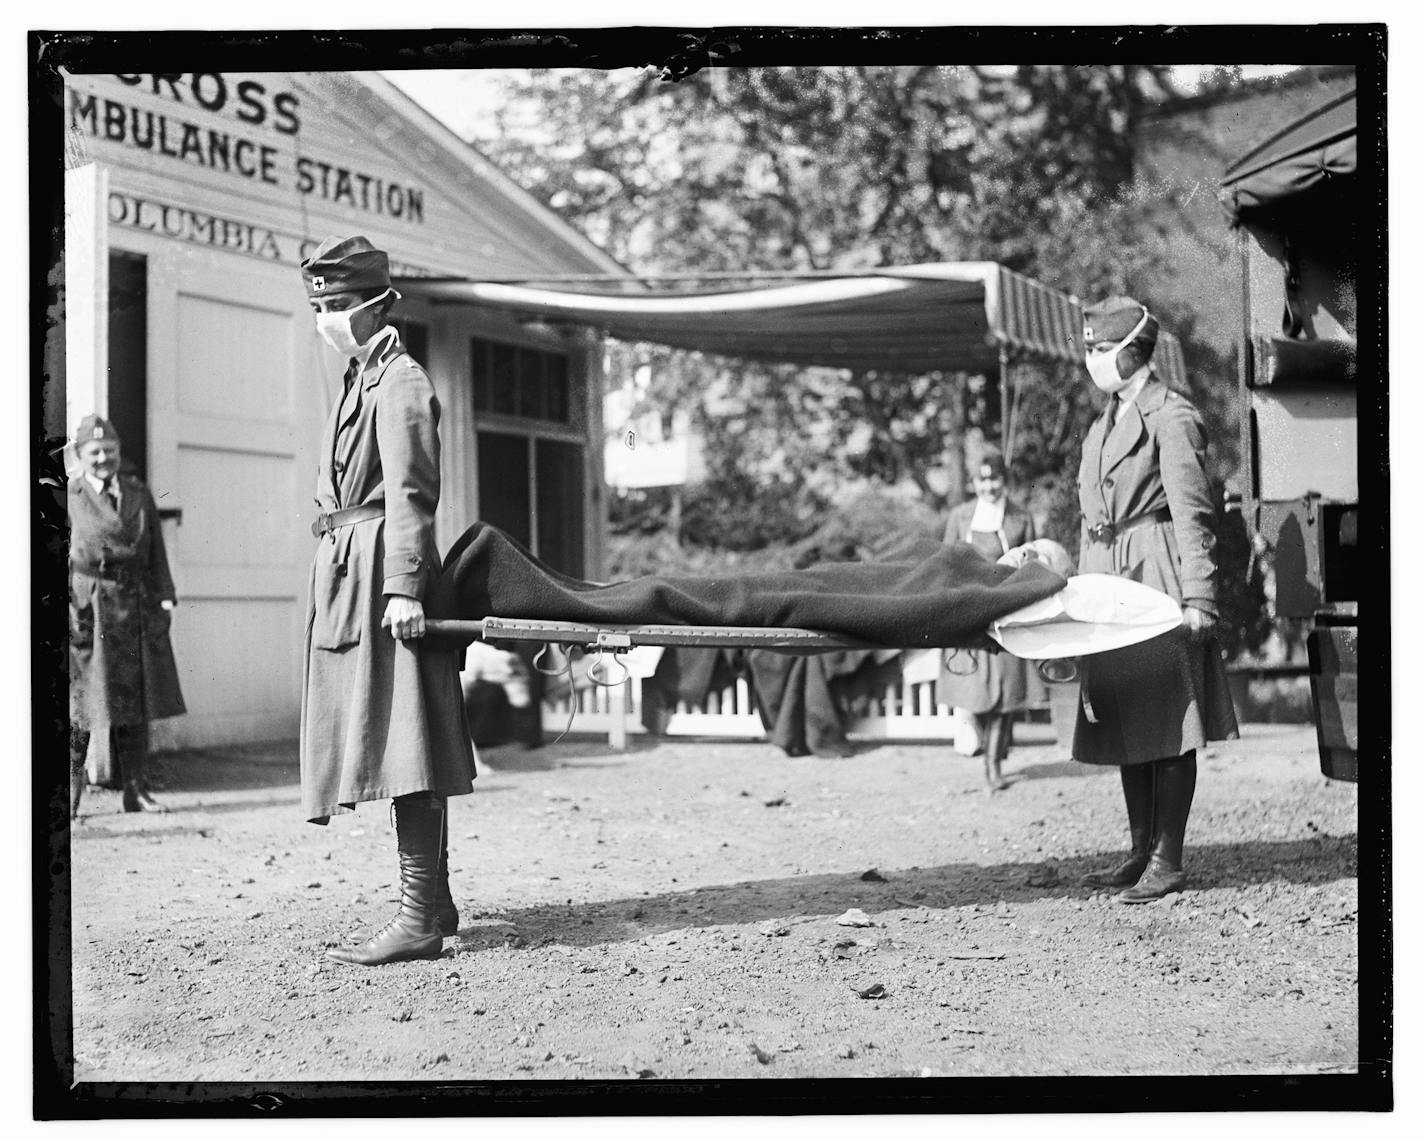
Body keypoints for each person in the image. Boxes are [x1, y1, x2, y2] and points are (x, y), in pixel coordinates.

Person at [298, 235, 476, 966]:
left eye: (338, 305)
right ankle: (432, 902)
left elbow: (411, 492)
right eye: (318, 306)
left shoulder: (398, 379)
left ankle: (417, 918)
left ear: (377, 304)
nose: (328, 317)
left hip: (382, 576)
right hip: (350, 572)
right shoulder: (358, 377)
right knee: (396, 738)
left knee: (408, 742)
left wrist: (404, 585)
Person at [1073, 296, 1238, 903]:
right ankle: (1139, 851)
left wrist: (1200, 596)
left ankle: (1167, 859)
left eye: (1098, 349)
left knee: (1168, 720)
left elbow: (1194, 510)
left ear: (1130, 351)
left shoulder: (1172, 415)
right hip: (1108, 577)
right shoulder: (1104, 421)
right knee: (1124, 718)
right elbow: (1091, 514)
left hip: (1157, 574)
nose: (1090, 359)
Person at [68, 414, 186, 818]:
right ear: (81, 457)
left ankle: (136, 790)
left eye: (110, 451)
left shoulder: (137, 492)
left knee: (135, 702)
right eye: (95, 452)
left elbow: (156, 552)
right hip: (89, 608)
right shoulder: (69, 496)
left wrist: (165, 596)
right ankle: (67, 796)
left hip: (134, 605)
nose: (104, 459)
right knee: (81, 703)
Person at [939, 449, 1045, 790]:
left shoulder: (1021, 517)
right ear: (973, 483)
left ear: (1005, 481)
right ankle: (985, 747)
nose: (988, 487)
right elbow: (945, 561)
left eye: (994, 479)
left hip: (1006, 607)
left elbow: (1032, 562)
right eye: (982, 480)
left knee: (1005, 692)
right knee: (974, 690)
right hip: (968, 608)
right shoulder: (959, 516)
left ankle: (993, 764)